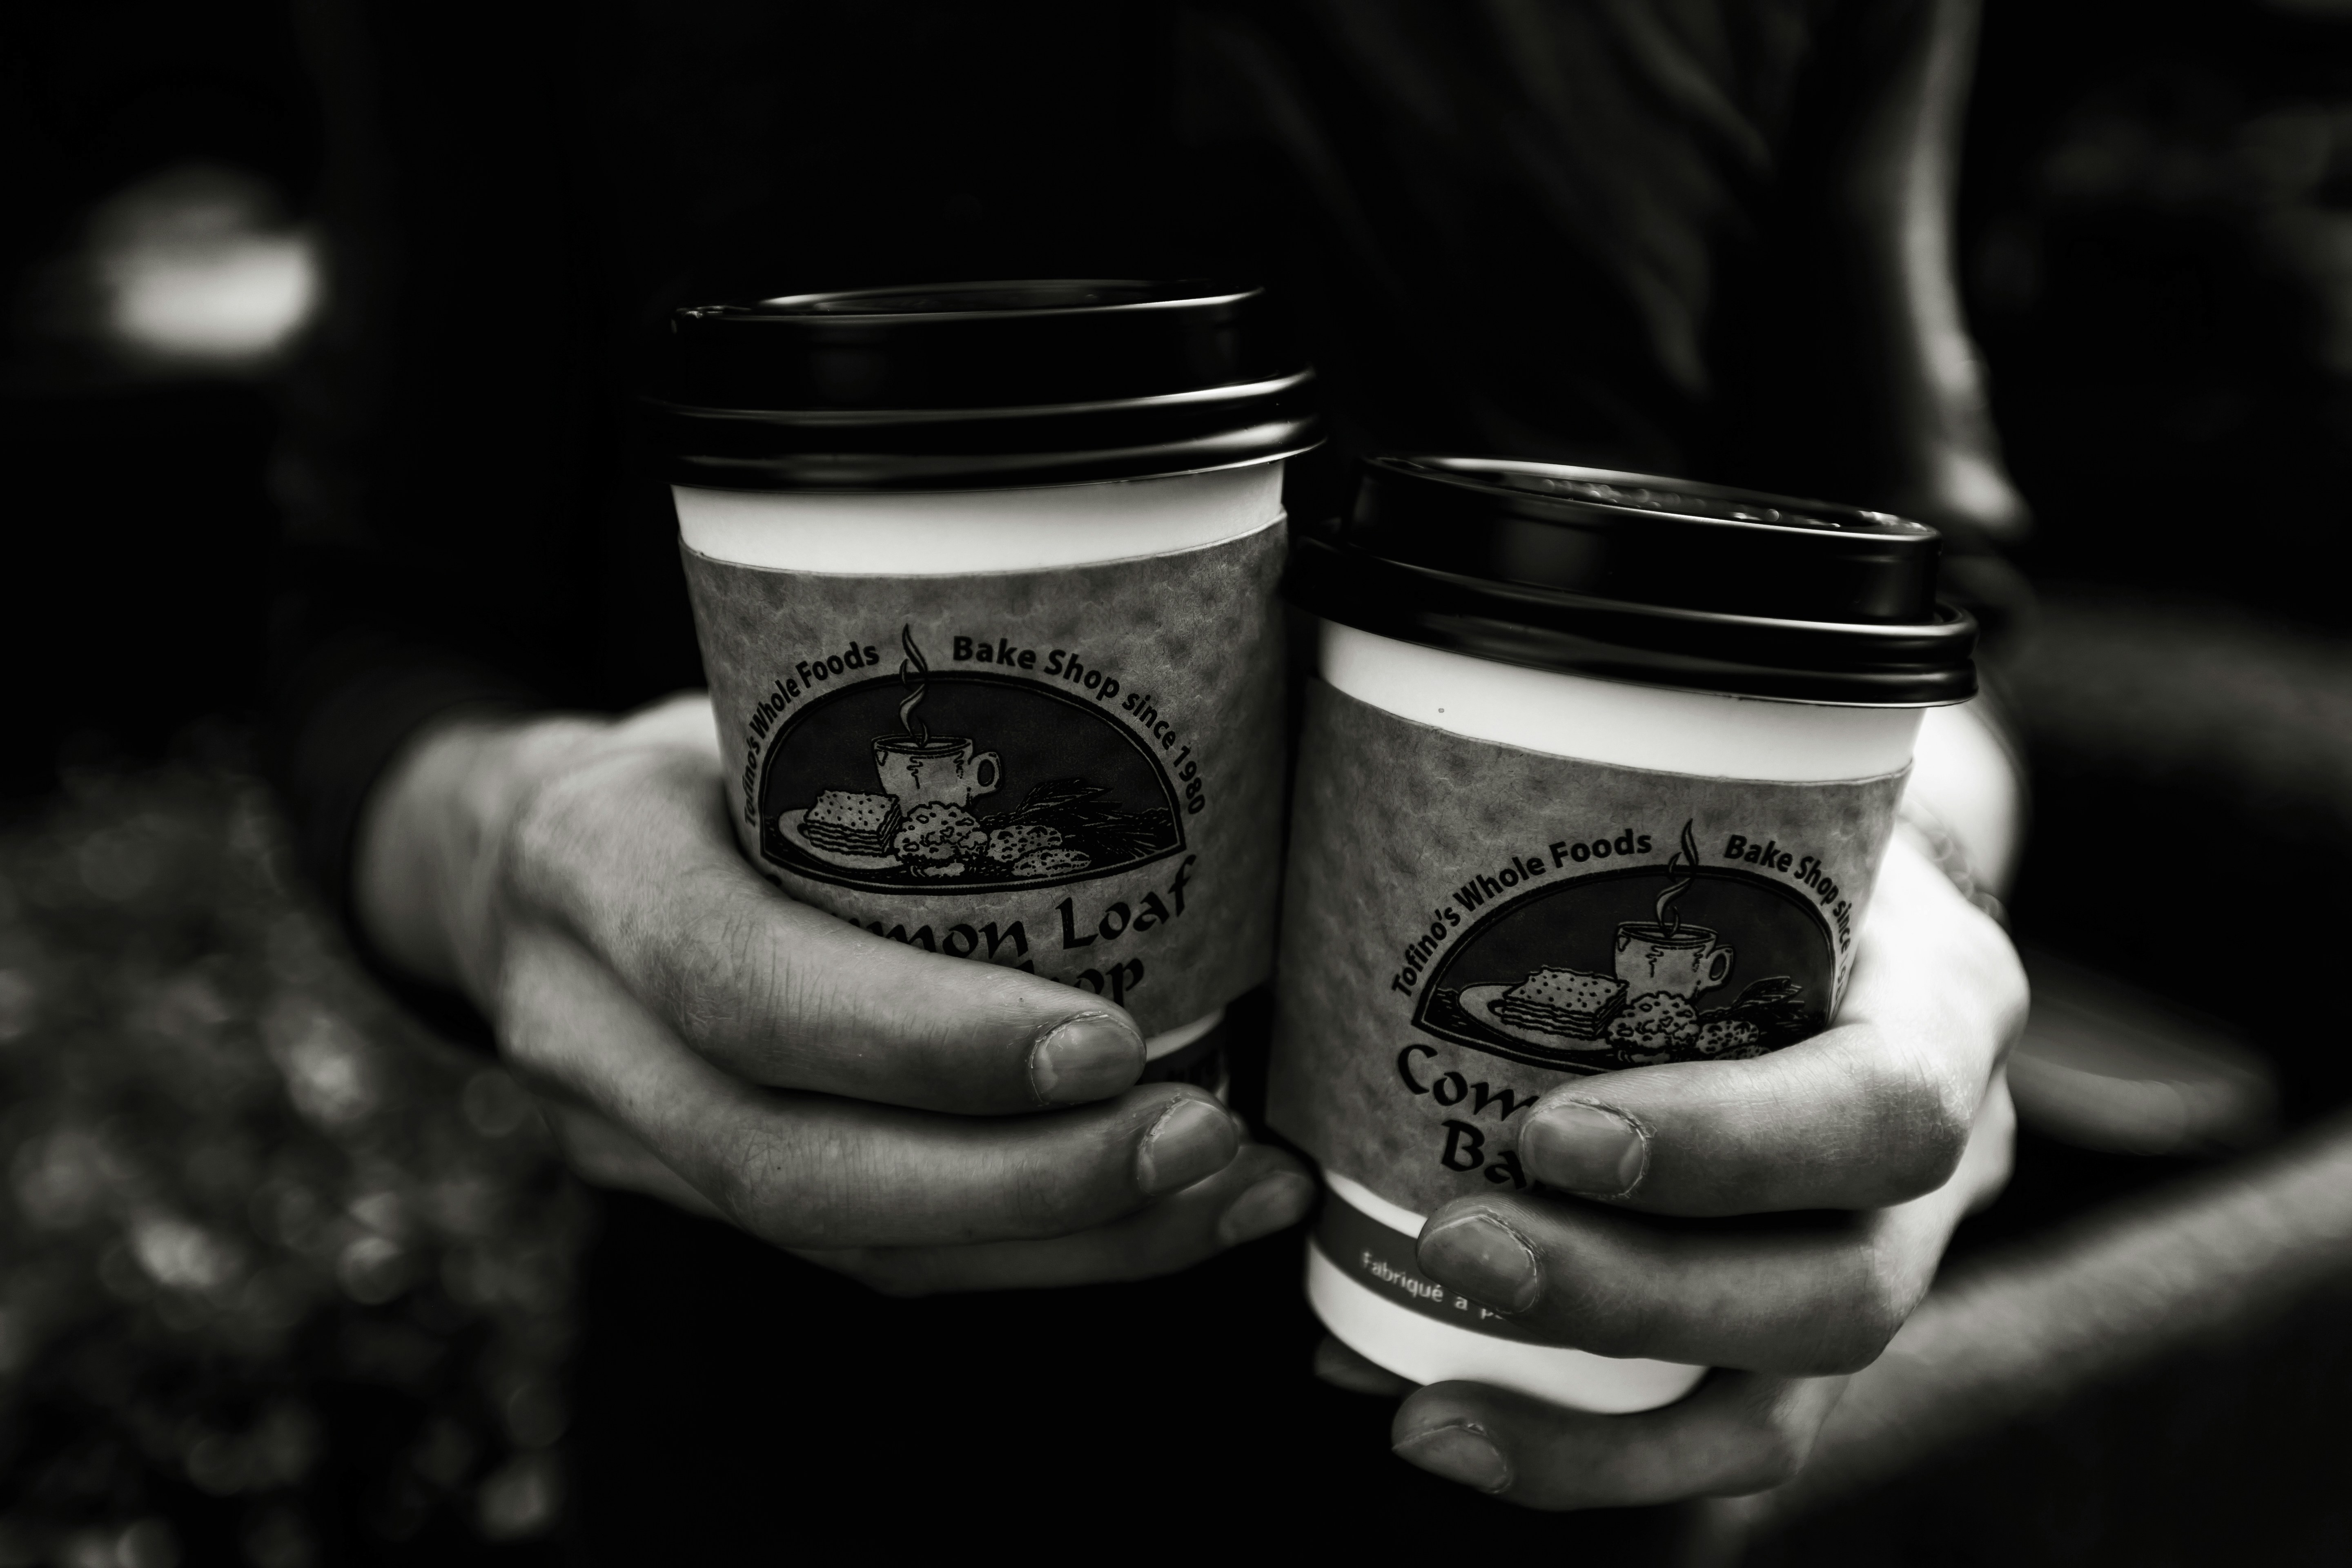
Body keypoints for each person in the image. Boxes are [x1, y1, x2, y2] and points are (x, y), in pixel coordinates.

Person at [271, 0, 2027, 1550]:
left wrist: (1921, 914)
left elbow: (1915, 615)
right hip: (781, 1417)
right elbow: (371, 628)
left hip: (1555, 1434)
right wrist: (517, 852)